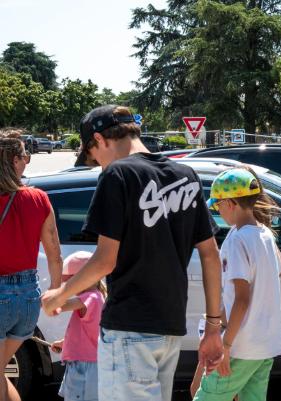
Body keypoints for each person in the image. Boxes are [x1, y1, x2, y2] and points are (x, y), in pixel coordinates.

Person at [40, 105, 225, 401]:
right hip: (170, 328)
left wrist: (59, 295)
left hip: (128, 326)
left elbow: (105, 260)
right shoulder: (185, 174)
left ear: (99, 139)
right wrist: (214, 327)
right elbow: (210, 255)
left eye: (94, 156)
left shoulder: (117, 175)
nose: (98, 165)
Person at [194, 168, 281, 401]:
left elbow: (241, 299)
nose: (218, 211)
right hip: (265, 345)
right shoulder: (265, 234)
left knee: (207, 397)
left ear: (230, 203)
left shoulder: (237, 239)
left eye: (218, 206)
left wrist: (225, 345)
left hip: (240, 346)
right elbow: (279, 271)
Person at [0, 128, 63, 401]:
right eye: (25, 155)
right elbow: (54, 254)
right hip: (28, 299)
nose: (27, 161)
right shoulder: (38, 198)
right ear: (14, 160)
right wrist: (56, 293)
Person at [50, 251, 106, 401]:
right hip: (87, 363)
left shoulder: (91, 297)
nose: (70, 286)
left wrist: (49, 301)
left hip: (85, 367)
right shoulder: (96, 296)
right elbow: (89, 332)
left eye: (71, 281)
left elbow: (61, 305)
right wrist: (64, 343)